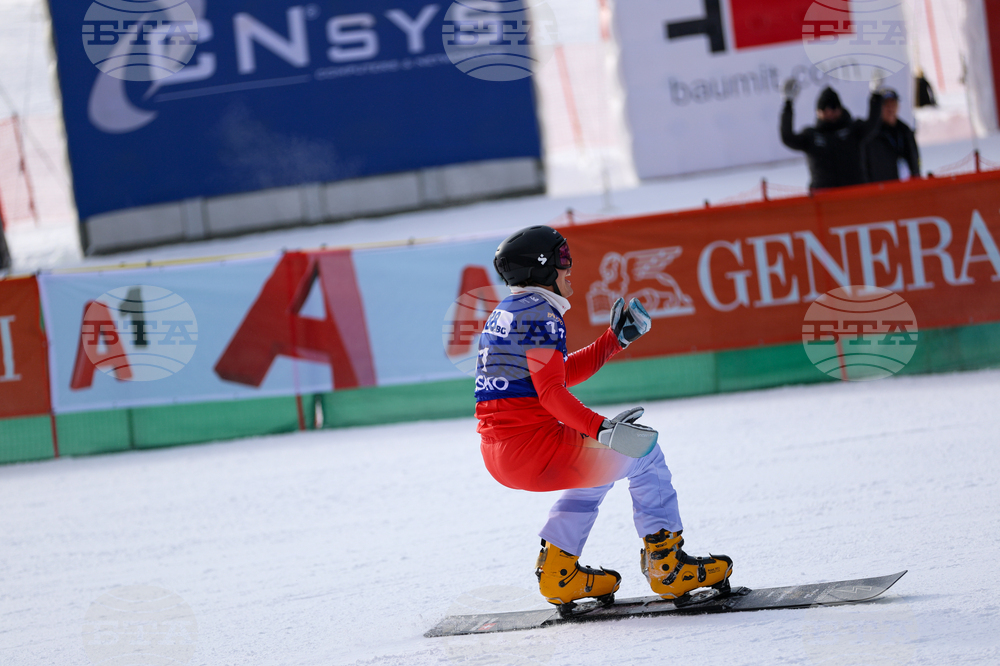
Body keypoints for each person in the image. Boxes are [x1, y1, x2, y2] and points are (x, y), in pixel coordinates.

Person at [475, 225, 733, 612]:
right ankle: (668, 567)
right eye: (563, 259)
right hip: (532, 448)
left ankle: (559, 571)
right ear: (541, 268)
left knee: (599, 465)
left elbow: (555, 375)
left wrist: (613, 341)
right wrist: (603, 429)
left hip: (501, 453)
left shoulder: (509, 311)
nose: (569, 268)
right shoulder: (540, 313)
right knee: (645, 454)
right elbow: (551, 392)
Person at [780, 79, 883, 190]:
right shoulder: (811, 136)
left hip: (855, 195)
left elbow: (872, 124)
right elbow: (787, 137)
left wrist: (875, 96)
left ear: (840, 109)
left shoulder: (853, 129)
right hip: (823, 197)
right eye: (824, 108)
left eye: (833, 107)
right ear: (817, 112)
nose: (829, 112)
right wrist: (788, 103)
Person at [864, 88, 920, 183]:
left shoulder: (905, 131)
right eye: (886, 105)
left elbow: (914, 158)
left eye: (893, 104)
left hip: (906, 185)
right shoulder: (871, 134)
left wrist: (916, 177)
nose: (890, 108)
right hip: (882, 186)